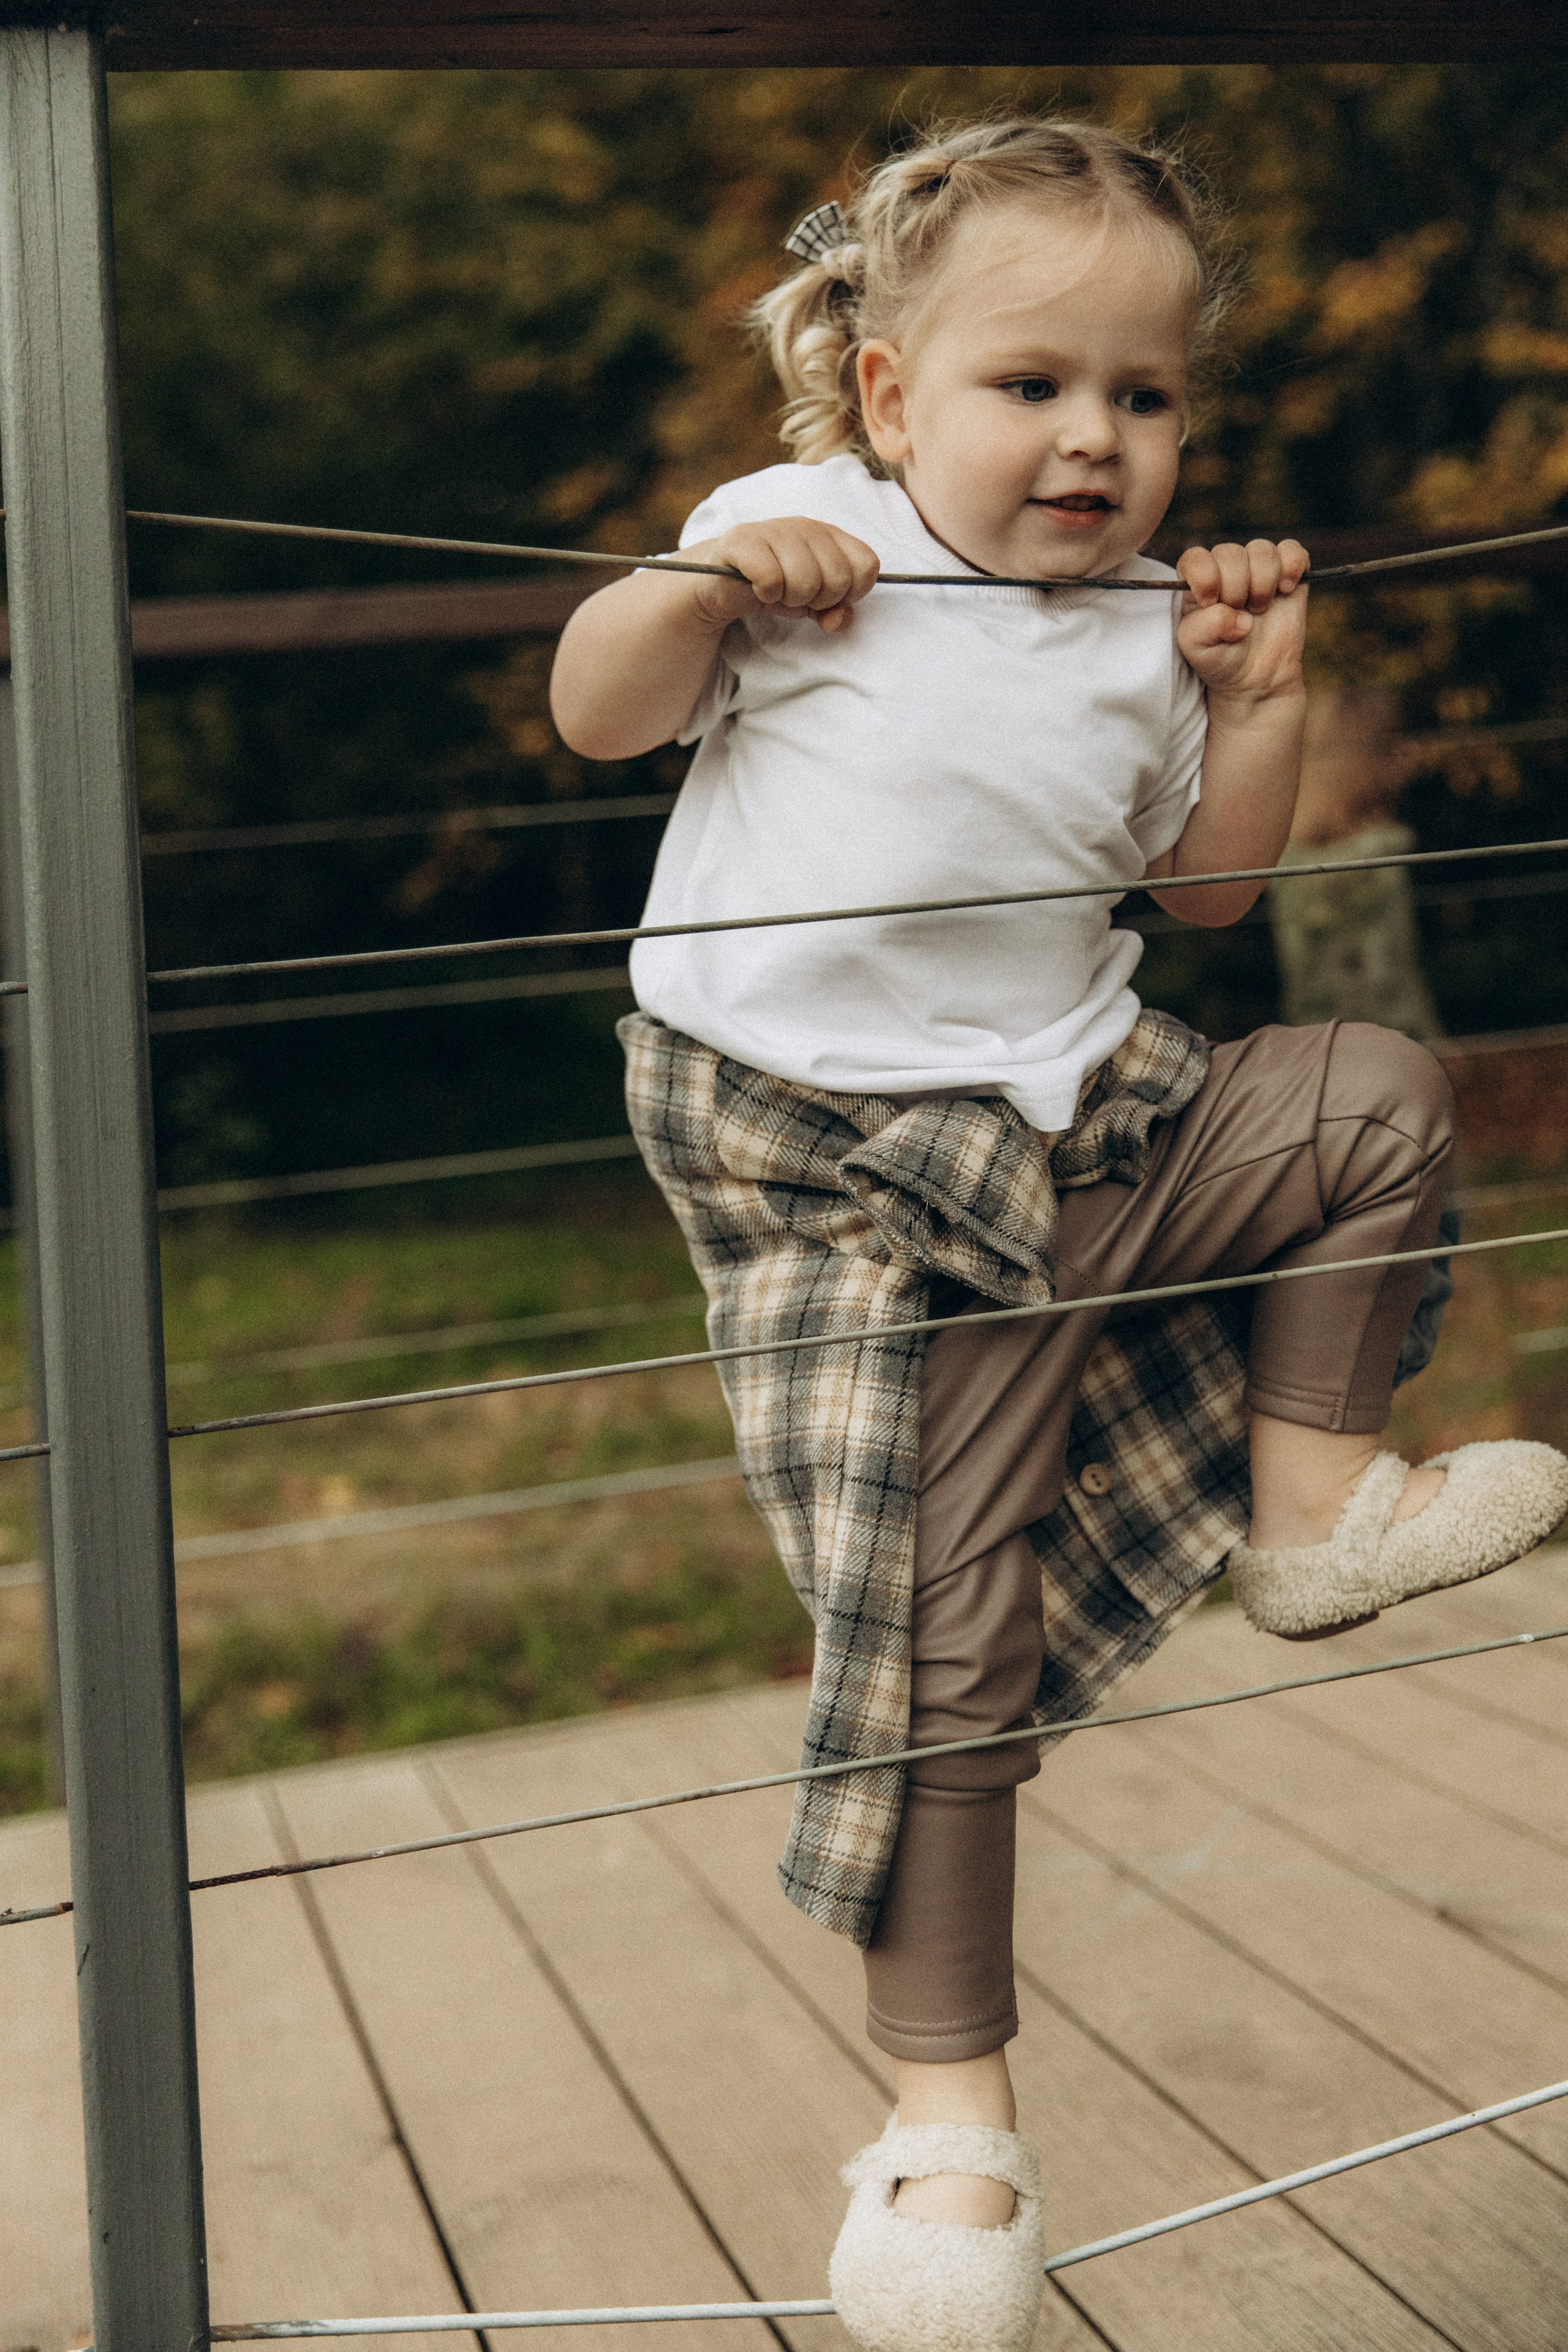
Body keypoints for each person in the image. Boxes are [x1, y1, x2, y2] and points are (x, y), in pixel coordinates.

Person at [550, 116, 1568, 2352]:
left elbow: (1207, 898)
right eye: (1034, 387)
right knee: (938, 1630)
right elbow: (594, 707)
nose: (1096, 440)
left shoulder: (1138, 630)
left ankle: (1313, 1509)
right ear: (897, 397)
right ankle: (950, 2124)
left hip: (1083, 1113)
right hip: (830, 1161)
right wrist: (710, 592)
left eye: (1147, 393)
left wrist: (1259, 699)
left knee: (1369, 1102)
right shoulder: (791, 530)